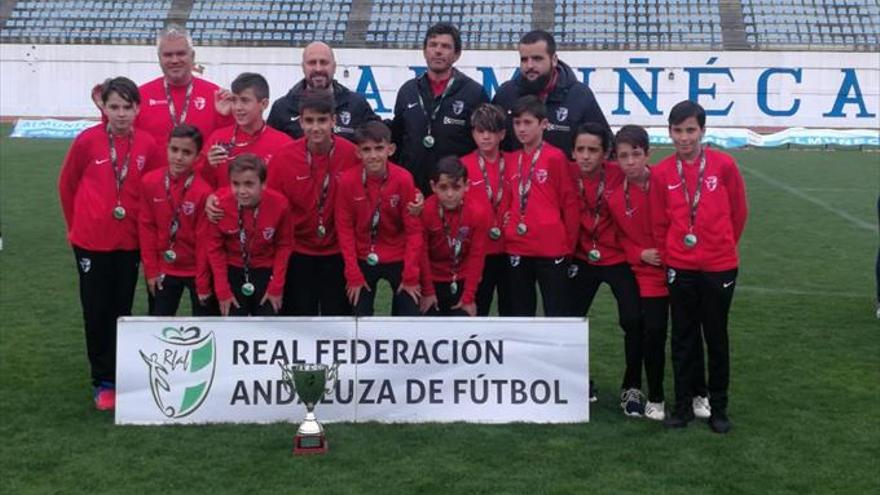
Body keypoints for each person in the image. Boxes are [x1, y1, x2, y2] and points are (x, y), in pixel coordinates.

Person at [59, 77, 160, 411]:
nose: (120, 114)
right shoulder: (87, 141)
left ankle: (123, 374)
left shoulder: (147, 144)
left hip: (129, 243)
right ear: (103, 107)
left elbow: (156, 189)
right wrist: (74, 227)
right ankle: (102, 381)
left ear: (138, 108)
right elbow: (67, 184)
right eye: (114, 106)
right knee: (96, 310)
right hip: (90, 242)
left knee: (122, 310)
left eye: (127, 107)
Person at [651, 100, 748, 434]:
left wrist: (720, 247)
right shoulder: (663, 172)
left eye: (690, 130)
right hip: (680, 266)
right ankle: (682, 406)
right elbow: (659, 222)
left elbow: (738, 212)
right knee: (682, 337)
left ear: (702, 131)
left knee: (716, 337)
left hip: (719, 267)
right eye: (677, 131)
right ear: (670, 132)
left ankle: (718, 408)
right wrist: (674, 254)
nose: (684, 138)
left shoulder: (724, 165)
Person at [566, 122, 644, 415]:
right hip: (582, 259)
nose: (585, 156)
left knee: (634, 320)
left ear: (605, 154)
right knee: (569, 320)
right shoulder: (565, 171)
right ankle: (578, 382)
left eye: (593, 150)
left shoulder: (618, 172)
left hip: (618, 257)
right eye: (580, 150)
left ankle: (632, 387)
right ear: (572, 151)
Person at [267, 91, 360, 315]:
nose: (315, 128)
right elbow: (271, 206)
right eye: (309, 121)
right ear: (300, 122)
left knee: (338, 325)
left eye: (322, 120)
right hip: (298, 252)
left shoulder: (351, 154)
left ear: (334, 121)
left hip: (338, 253)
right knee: (299, 324)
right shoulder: (284, 157)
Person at [604, 125, 668, 420]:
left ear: (648, 154)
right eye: (623, 156)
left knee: (682, 331)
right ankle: (636, 389)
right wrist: (640, 254)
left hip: (677, 268)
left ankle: (694, 391)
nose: (629, 162)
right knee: (640, 327)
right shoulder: (615, 198)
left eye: (636, 155)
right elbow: (619, 238)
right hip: (642, 273)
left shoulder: (667, 184)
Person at [335, 121, 423, 316]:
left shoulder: (403, 179)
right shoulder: (348, 181)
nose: (373, 155)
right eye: (366, 149)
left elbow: (414, 230)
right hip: (362, 255)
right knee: (358, 314)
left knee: (409, 312)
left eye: (379, 149)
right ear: (358, 153)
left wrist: (410, 274)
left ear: (390, 149)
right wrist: (353, 273)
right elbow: (345, 229)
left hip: (397, 254)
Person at [502, 96, 579, 317]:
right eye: (517, 123)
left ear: (543, 124)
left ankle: (557, 352)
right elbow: (509, 200)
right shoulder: (512, 159)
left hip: (551, 248)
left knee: (556, 311)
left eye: (528, 123)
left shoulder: (555, 157)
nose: (521, 129)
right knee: (521, 311)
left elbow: (570, 204)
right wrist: (508, 224)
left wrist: (568, 246)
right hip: (518, 246)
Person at [391, 23, 488, 195]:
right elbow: (397, 140)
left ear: (457, 54)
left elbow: (483, 145)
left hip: (454, 193)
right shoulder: (408, 91)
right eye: (433, 45)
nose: (438, 51)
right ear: (424, 51)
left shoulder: (474, 93)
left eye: (445, 46)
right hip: (413, 192)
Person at [493, 30, 610, 159]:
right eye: (524, 60)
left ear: (554, 59)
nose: (529, 65)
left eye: (537, 59)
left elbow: (606, 146)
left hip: (564, 178)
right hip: (517, 177)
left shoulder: (580, 96)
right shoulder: (506, 94)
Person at [139, 124, 217, 316]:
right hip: (164, 267)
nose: (179, 157)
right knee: (159, 324)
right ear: (166, 148)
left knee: (205, 325)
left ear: (198, 157)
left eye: (187, 152)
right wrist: (151, 270)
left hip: (195, 270)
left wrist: (202, 281)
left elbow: (203, 241)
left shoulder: (203, 191)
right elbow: (146, 227)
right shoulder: (150, 182)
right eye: (174, 150)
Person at [204, 154, 294, 316]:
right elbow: (215, 249)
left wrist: (276, 285)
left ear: (264, 184)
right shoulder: (219, 206)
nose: (242, 191)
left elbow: (284, 245)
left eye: (249, 184)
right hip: (232, 272)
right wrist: (222, 289)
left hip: (266, 272)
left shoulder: (280, 205)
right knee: (233, 328)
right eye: (236, 184)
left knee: (268, 327)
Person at [132, 24, 233, 164]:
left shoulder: (215, 96)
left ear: (192, 56)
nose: (174, 60)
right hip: (154, 183)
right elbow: (121, 138)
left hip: (201, 182)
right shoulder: (140, 96)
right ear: (159, 58)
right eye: (168, 55)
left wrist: (226, 118)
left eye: (180, 54)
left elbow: (227, 142)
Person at [419, 156, 490, 316]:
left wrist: (468, 297)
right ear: (433, 186)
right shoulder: (425, 211)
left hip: (463, 279)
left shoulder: (478, 212)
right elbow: (421, 253)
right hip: (432, 279)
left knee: (464, 333)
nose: (450, 194)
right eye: (443, 188)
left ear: (466, 186)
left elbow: (477, 256)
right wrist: (428, 291)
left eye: (456, 187)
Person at [267, 41, 380, 142]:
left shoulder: (356, 104)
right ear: (303, 67)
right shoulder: (282, 108)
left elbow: (379, 138)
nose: (318, 69)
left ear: (334, 67)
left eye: (324, 62)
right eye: (312, 63)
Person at [461, 104, 514, 316]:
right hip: (478, 251)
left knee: (511, 311)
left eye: (491, 131)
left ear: (501, 134)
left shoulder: (515, 161)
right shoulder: (462, 165)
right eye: (480, 131)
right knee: (477, 309)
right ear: (473, 133)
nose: (485, 137)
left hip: (510, 248)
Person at [198, 72, 292, 190]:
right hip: (225, 207)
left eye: (245, 100)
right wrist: (208, 166)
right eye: (234, 100)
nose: (238, 107)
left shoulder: (282, 143)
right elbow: (201, 185)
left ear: (264, 104)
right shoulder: (218, 138)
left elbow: (289, 189)